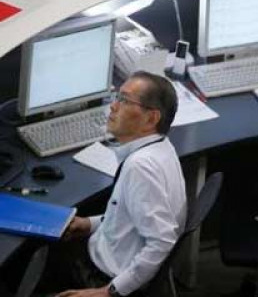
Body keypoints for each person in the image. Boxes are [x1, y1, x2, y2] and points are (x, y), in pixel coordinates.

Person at [48, 71, 187, 297]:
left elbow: (162, 241)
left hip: (103, 276)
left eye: (124, 100)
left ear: (151, 118)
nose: (113, 107)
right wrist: (90, 224)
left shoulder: (140, 167)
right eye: (116, 97)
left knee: (24, 260)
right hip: (108, 251)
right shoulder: (162, 148)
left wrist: (107, 292)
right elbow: (128, 216)